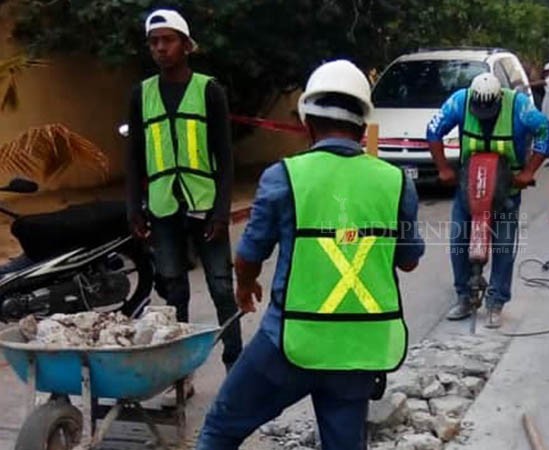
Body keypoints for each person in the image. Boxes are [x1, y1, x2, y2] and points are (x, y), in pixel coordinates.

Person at [197, 60, 425, 450]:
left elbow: (248, 255)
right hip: (359, 349)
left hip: (289, 343)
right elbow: (408, 259)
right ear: (363, 124)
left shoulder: (283, 176)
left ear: (307, 123)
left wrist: (246, 285)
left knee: (220, 429)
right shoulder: (396, 182)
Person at [125, 9, 243, 390]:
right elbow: (133, 157)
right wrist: (133, 208)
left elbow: (225, 158)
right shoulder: (140, 94)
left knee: (222, 288)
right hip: (162, 206)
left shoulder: (209, 90)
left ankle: (234, 368)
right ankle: (181, 375)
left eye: (168, 39)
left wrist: (222, 211)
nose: (161, 47)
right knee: (174, 291)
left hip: (205, 204)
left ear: (186, 45)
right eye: (154, 41)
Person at [427, 73, 549, 329]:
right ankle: (465, 296)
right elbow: (433, 129)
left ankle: (496, 301)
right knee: (459, 242)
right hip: (468, 185)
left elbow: (544, 131)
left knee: (504, 246)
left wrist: (528, 172)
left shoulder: (519, 106)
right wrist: (443, 168)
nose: (484, 113)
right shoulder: (460, 101)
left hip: (506, 189)